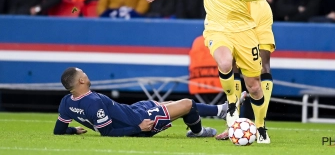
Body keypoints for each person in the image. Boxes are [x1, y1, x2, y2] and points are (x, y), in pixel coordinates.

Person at [145, 0, 271, 144]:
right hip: (216, 28)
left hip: (244, 30)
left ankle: (260, 128)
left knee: (254, 86)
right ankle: (232, 103)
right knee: (224, 62)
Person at [214, 0, 284, 141]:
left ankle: (234, 123)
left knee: (232, 66)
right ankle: (261, 128)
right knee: (263, 68)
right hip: (263, 12)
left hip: (242, 13)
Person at [54, 67, 224, 137]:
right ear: (81, 82)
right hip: (137, 120)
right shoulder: (93, 102)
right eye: (83, 73)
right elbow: (107, 132)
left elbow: (58, 131)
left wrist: (73, 130)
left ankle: (213, 115)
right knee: (187, 104)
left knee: (171, 102)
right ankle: (211, 119)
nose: (86, 74)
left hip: (132, 110)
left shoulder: (67, 101)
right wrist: (138, 128)